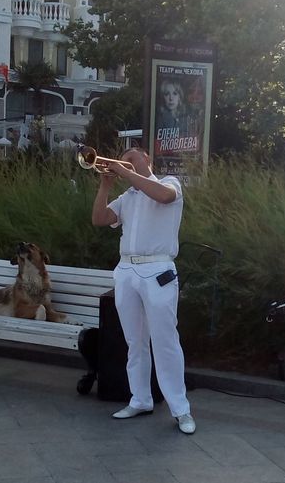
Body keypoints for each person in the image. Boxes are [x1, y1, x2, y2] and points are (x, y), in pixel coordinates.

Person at [91, 147, 195, 435]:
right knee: (134, 341)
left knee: (165, 340)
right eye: (122, 159)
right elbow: (99, 219)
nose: (124, 162)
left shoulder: (169, 183)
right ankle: (140, 399)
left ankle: (181, 409)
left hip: (157, 268)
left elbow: (164, 197)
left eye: (131, 157)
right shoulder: (128, 197)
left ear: (147, 159)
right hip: (127, 269)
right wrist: (105, 185)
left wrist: (125, 172)